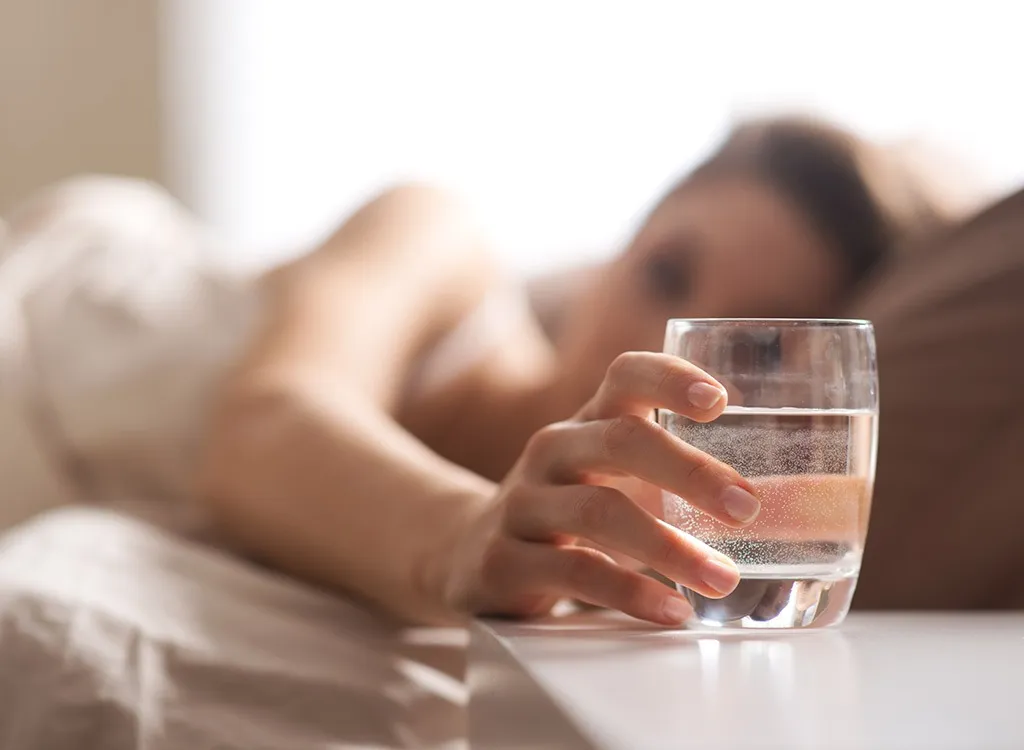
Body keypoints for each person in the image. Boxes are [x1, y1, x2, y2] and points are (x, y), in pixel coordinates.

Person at [0, 116, 957, 627]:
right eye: (663, 275)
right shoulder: (446, 249)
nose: (668, 352)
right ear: (620, 244)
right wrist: (460, 536)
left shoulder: (605, 582)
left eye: (741, 348)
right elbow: (266, 424)